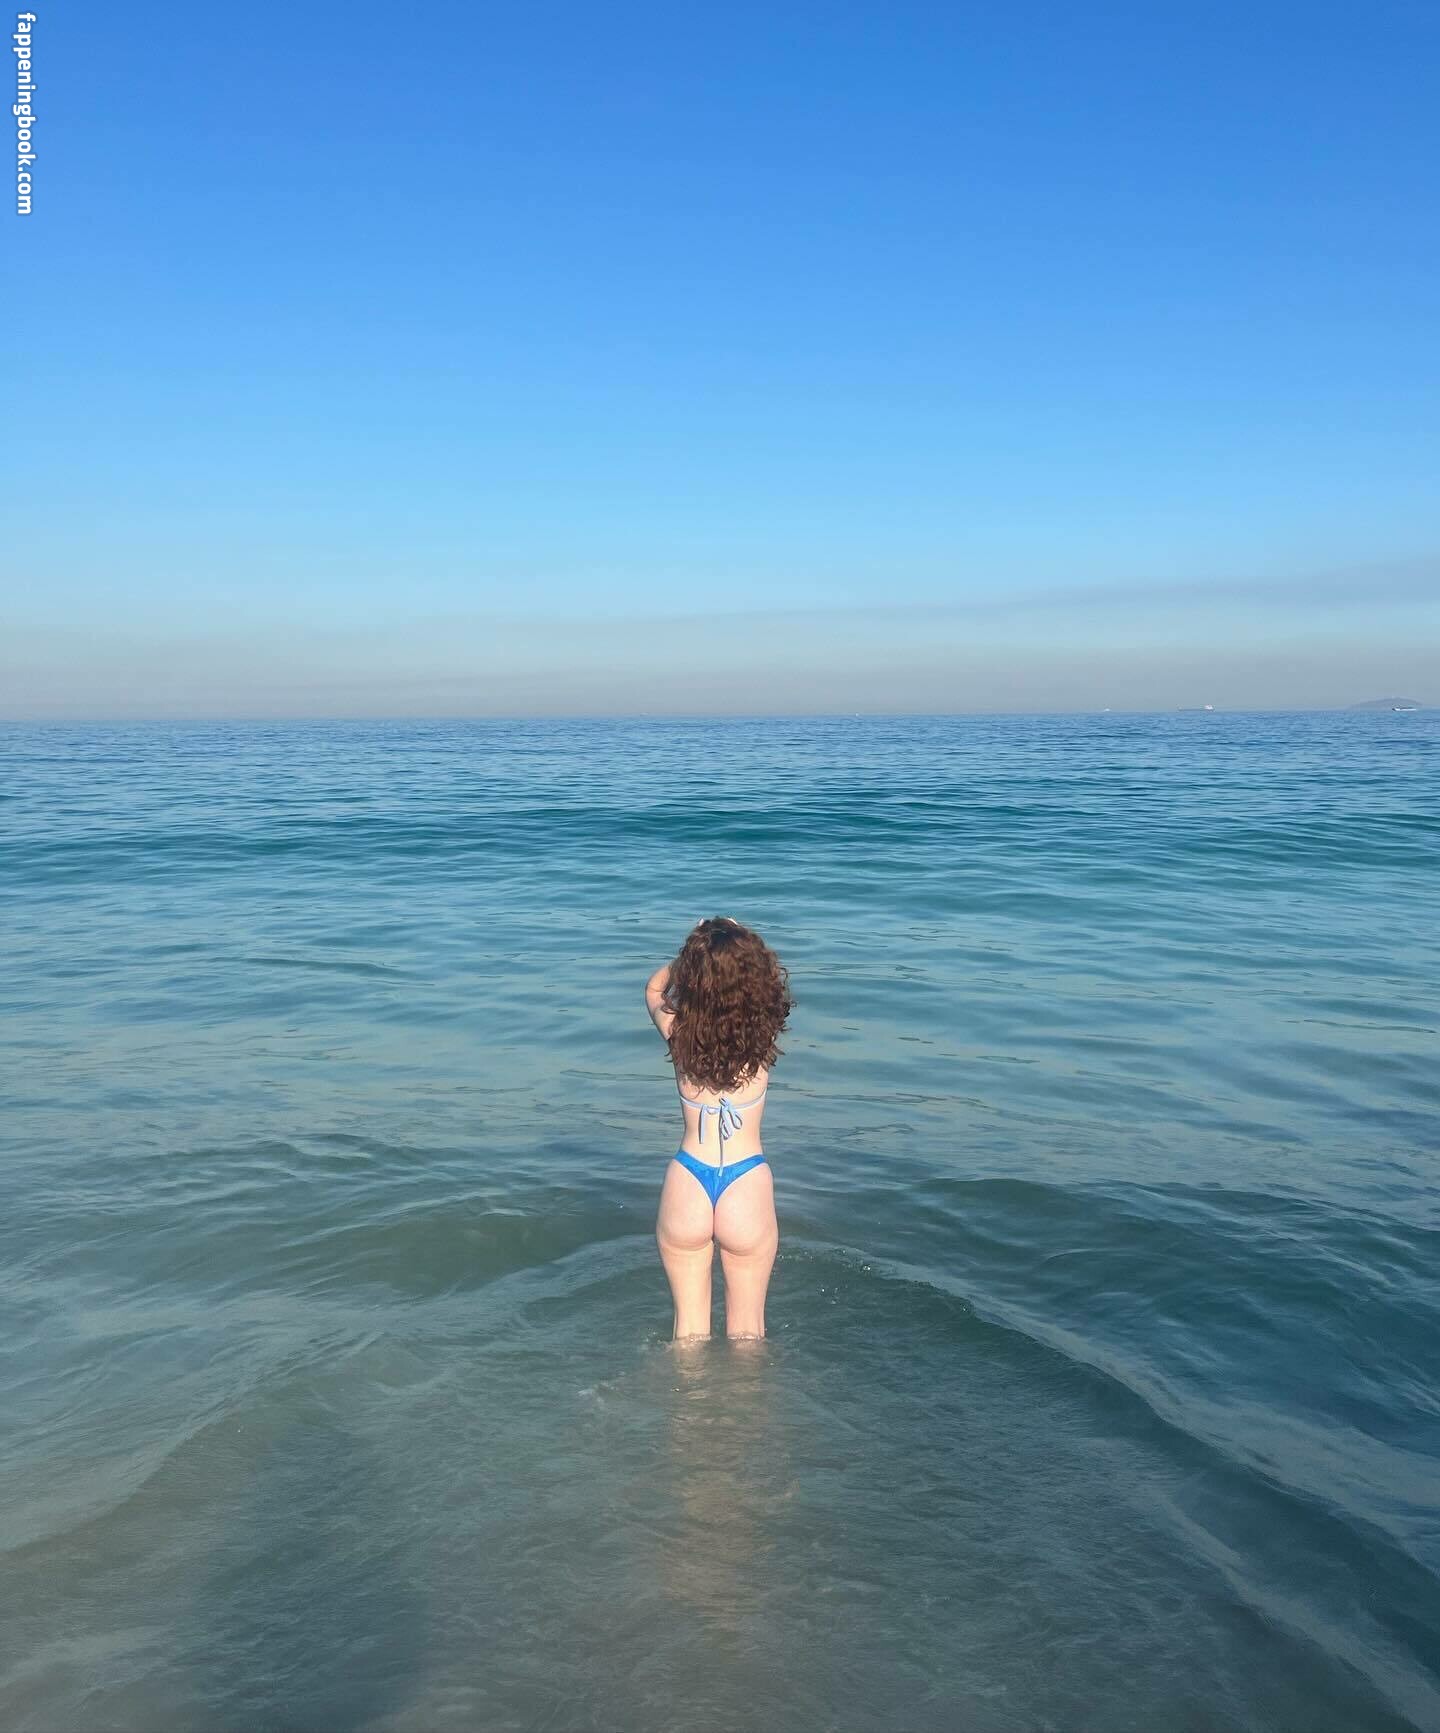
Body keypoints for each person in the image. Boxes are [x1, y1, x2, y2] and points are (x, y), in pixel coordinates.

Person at [645, 918, 792, 1340]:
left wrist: (693, 957)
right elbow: (769, 986)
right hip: (746, 1184)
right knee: (748, 1336)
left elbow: (653, 990)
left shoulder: (678, 1034)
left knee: (687, 1336)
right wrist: (736, 943)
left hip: (688, 1181)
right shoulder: (762, 1037)